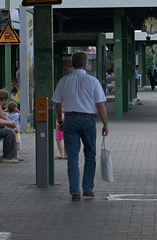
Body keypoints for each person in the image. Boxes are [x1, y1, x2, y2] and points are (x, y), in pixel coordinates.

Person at [52, 50, 109, 201]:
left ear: (71, 64)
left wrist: (60, 121)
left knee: (72, 157)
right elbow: (100, 105)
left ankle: (75, 192)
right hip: (88, 120)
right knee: (90, 154)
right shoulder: (93, 81)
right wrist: (105, 124)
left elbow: (57, 104)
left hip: (70, 119)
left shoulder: (64, 81)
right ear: (86, 64)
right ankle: (88, 189)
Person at [0, 86, 19, 163]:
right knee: (9, 133)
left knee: (9, 131)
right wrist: (10, 123)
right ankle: (7, 157)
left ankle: (12, 156)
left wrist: (9, 123)